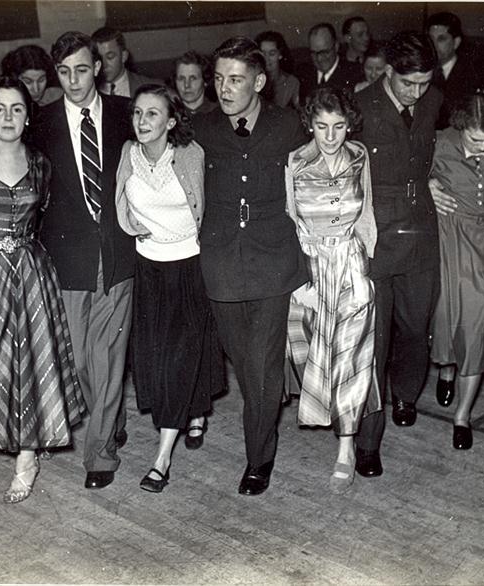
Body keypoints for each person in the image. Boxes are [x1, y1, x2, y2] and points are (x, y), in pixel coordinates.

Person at [0, 76, 86, 502]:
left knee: (34, 360)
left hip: (31, 274)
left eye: (17, 109)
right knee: (0, 364)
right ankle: (13, 435)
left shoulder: (42, 164)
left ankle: (27, 456)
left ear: (28, 116)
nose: (8, 117)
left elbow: (51, 217)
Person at [193, 37, 309, 496]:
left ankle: (258, 458)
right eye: (219, 78)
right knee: (245, 365)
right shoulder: (201, 129)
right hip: (220, 263)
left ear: (259, 81)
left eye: (235, 79)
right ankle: (265, 406)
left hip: (273, 261)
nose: (224, 88)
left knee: (260, 369)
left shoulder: (288, 126)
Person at [33, 31, 134, 489]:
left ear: (98, 67)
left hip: (118, 252)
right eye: (64, 72)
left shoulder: (124, 115)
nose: (74, 80)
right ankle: (109, 420)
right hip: (67, 258)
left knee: (106, 355)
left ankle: (100, 454)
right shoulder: (40, 123)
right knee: (77, 361)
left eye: (81, 69)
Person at [115, 84, 224, 492]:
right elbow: (118, 204)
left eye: (153, 115)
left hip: (190, 268)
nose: (143, 122)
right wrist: (131, 227)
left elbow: (209, 207)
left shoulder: (191, 156)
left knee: (180, 359)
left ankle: (162, 457)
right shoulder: (128, 154)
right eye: (138, 114)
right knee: (157, 361)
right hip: (149, 270)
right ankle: (195, 411)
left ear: (171, 121)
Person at [352, 32, 443, 478]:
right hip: (375, 238)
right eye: (409, 83)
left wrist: (437, 180)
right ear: (388, 72)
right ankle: (369, 441)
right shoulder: (359, 105)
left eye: (425, 82)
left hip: (421, 234)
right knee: (374, 342)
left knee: (414, 327)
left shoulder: (433, 101)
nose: (417, 92)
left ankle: (407, 391)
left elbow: (434, 154)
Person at [285, 86, 381, 494]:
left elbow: (368, 214)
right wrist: (298, 280)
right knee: (310, 359)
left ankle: (345, 450)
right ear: (309, 123)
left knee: (352, 359)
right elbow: (289, 219)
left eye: (338, 126)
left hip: (352, 267)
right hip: (311, 271)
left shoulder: (359, 156)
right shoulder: (294, 163)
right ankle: (336, 426)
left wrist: (369, 271)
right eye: (321, 126)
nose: (330, 136)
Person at [428, 94, 484, 449]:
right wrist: (427, 186)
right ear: (460, 127)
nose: (482, 148)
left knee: (476, 327)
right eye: (475, 139)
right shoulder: (440, 141)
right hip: (446, 238)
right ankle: (446, 368)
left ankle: (462, 416)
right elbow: (407, 174)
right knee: (444, 317)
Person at [427, 11, 484, 127]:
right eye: (431, 39)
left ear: (456, 42)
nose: (433, 45)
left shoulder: (473, 74)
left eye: (441, 39)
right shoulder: (422, 71)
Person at [299, 23, 364, 104]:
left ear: (336, 46)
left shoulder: (356, 73)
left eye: (324, 52)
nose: (319, 58)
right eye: (314, 53)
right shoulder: (303, 75)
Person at [92, 27, 160, 98]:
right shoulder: (88, 91)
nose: (104, 65)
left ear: (124, 56)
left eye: (110, 57)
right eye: (98, 58)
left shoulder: (154, 88)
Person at [0, 44, 64, 109]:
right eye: (28, 82)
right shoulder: (2, 103)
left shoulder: (58, 96)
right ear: (14, 78)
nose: (36, 89)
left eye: (41, 80)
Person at [256, 30, 300, 109]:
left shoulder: (292, 83)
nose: (266, 58)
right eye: (263, 53)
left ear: (280, 55)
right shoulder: (253, 81)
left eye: (272, 54)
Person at [173, 51, 218, 115]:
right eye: (181, 79)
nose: (186, 85)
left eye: (193, 78)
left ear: (205, 81)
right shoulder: (169, 115)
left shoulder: (218, 113)